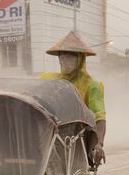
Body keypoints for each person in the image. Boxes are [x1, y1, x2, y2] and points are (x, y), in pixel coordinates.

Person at [40, 31, 106, 165]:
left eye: (70, 56)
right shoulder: (49, 79)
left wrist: (99, 144)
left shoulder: (93, 85)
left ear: (80, 59)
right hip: (50, 137)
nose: (65, 60)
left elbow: (100, 118)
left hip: (76, 142)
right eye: (62, 56)